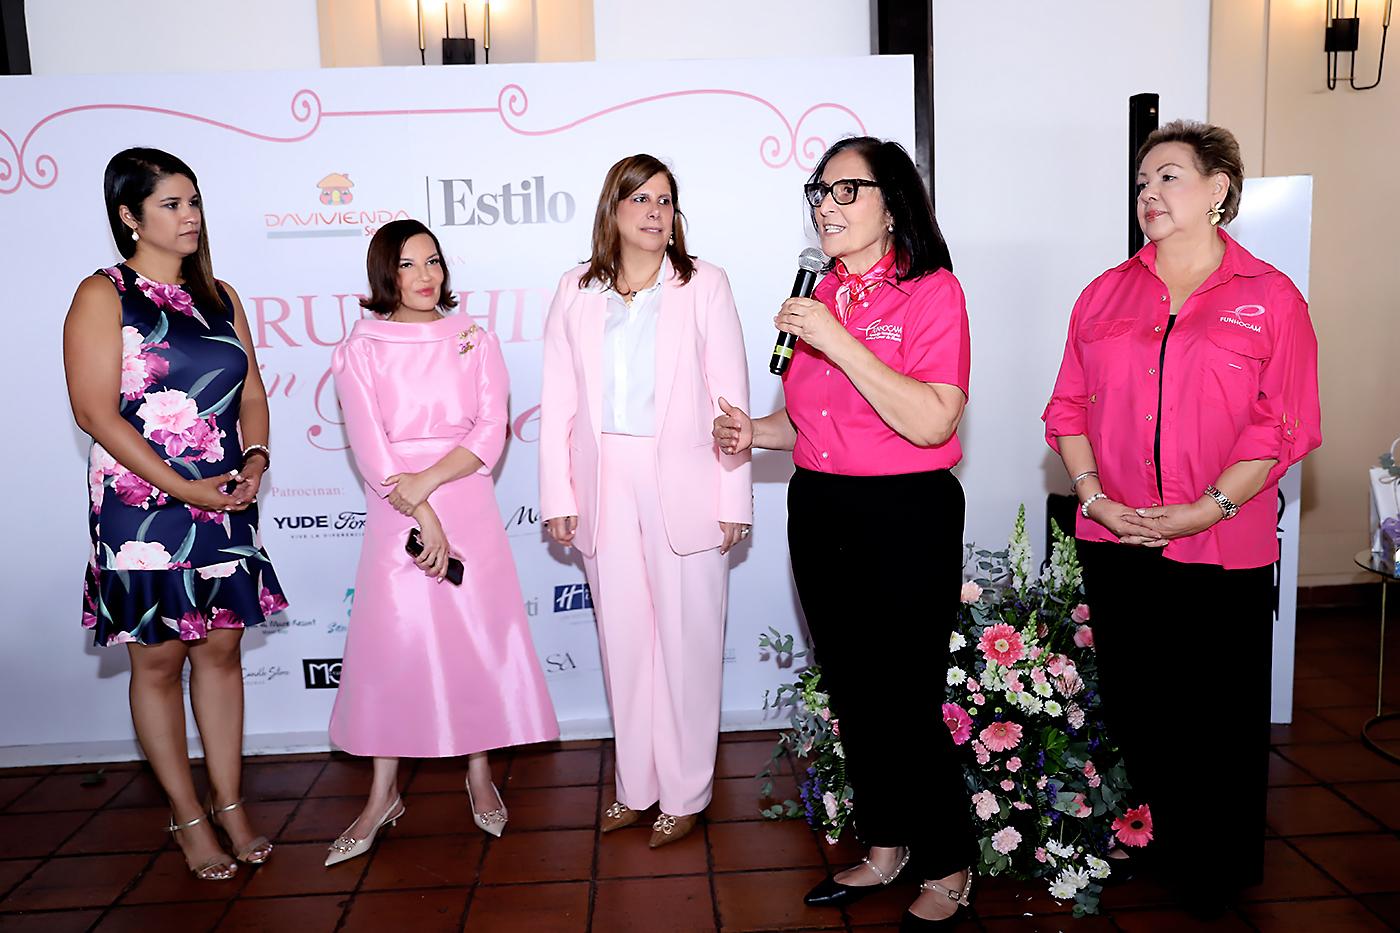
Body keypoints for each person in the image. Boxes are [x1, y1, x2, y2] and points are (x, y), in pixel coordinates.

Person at [1043, 119, 1321, 914]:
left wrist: (1205, 508)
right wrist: (1093, 496)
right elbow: (1067, 408)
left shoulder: (1269, 297)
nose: (1149, 193)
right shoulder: (1103, 293)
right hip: (1119, 533)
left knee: (1220, 713)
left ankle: (1217, 867)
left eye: (1168, 176)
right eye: (1142, 181)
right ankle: (1159, 835)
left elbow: (1283, 424)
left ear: (1218, 188)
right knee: (1141, 703)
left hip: (1223, 541)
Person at [713, 137, 974, 930]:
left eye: (844, 190)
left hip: (906, 513)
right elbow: (810, 421)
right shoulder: (823, 293)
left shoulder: (931, 292)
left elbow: (931, 419)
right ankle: (886, 845)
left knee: (905, 696)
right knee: (855, 691)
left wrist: (837, 339)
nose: (825, 205)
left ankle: (949, 861)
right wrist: (752, 431)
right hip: (821, 507)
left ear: (892, 204)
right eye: (819, 191)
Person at [63, 148, 288, 881]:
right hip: (141, 508)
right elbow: (95, 412)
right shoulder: (104, 295)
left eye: (193, 202)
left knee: (221, 651)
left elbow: (251, 391)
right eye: (170, 204)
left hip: (224, 494)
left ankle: (230, 802)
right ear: (129, 216)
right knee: (158, 660)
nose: (189, 216)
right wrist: (182, 489)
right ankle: (187, 815)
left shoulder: (220, 295)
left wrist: (256, 459)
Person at [325, 219, 558, 866]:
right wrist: (422, 512)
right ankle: (382, 795)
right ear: (386, 274)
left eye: (433, 261)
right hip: (396, 505)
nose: (425, 276)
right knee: (391, 645)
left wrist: (430, 485)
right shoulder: (360, 348)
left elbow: (490, 429)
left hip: (464, 497)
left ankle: (479, 771)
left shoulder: (474, 339)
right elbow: (371, 446)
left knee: (473, 635)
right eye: (408, 264)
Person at [539, 154, 752, 848]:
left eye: (665, 200)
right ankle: (636, 786)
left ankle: (686, 792)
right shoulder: (576, 288)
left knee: (688, 644)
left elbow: (731, 397)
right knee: (625, 643)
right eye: (641, 199)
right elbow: (559, 402)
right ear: (614, 209)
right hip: (603, 482)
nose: (656, 211)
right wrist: (558, 493)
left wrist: (734, 494)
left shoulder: (704, 284)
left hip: (689, 480)